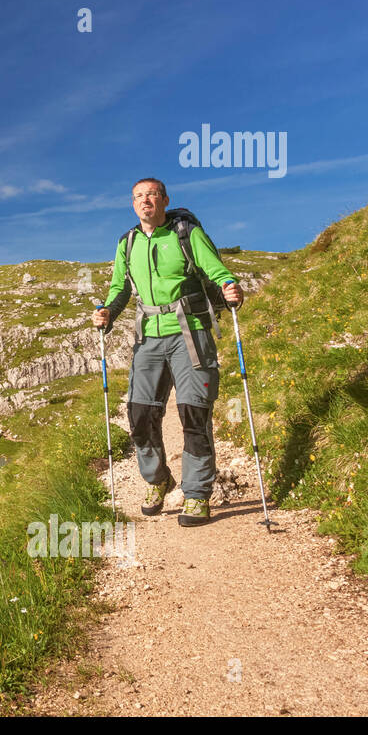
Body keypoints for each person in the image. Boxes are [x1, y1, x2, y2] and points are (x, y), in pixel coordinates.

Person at [91, 178, 244, 526]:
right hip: (148, 338)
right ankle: (158, 479)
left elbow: (216, 270)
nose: (146, 200)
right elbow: (119, 289)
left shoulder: (186, 233)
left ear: (164, 200)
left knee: (193, 412)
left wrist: (230, 287)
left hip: (189, 332)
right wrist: (107, 314)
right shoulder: (127, 243)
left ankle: (196, 494)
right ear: (133, 204)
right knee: (140, 414)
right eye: (139, 196)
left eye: (152, 194)